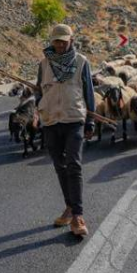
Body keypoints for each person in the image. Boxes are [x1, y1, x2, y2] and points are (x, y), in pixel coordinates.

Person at [35, 24, 95, 237]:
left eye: (63, 40)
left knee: (74, 164)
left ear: (71, 40)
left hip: (73, 117)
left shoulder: (81, 62)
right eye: (56, 41)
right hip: (51, 119)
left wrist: (90, 122)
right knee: (60, 166)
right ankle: (69, 207)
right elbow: (39, 91)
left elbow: (89, 90)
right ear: (51, 41)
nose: (59, 45)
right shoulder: (44, 63)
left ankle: (78, 215)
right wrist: (38, 113)